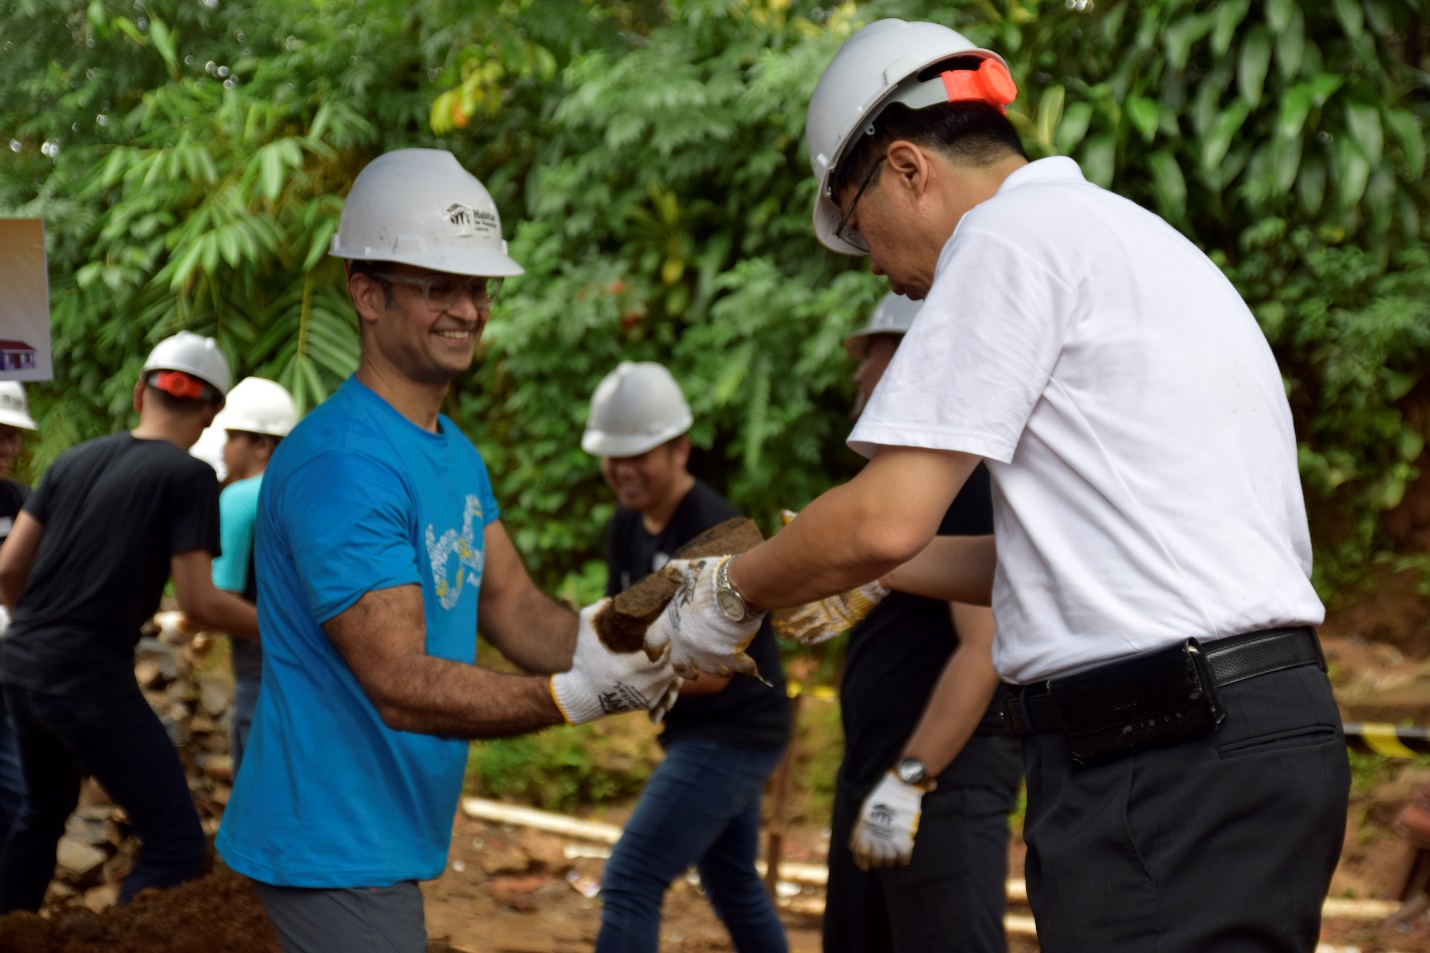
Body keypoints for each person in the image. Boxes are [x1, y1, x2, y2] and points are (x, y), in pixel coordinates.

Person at [646, 19, 1349, 953]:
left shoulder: (1004, 242)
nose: (886, 271)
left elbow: (885, 516)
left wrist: (731, 595)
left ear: (907, 167)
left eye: (862, 231)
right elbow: (1064, 555)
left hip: (1165, 749)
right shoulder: (1130, 240)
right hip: (1245, 737)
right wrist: (875, 573)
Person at [215, 148, 678, 953]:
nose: (467, 309)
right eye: (439, 286)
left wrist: (643, 640)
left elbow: (514, 607)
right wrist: (578, 695)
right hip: (330, 842)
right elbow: (397, 682)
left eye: (478, 286)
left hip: (380, 836)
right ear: (367, 294)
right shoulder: (344, 463)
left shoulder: (450, 449)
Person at [776, 294, 1020, 953]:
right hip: (880, 774)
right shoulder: (903, 493)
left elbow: (984, 648)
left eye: (874, 353)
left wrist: (910, 777)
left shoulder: (962, 479)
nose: (858, 373)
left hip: (939, 785)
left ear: (919, 358)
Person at [0, 332, 261, 911]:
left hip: (19, 664)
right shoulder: (187, 477)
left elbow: (9, 567)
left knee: (40, 814)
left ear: (142, 394)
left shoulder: (73, 459)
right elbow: (198, 603)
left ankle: (11, 928)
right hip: (88, 677)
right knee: (175, 846)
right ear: (211, 413)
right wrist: (287, 629)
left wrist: (37, 631)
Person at [582, 361, 791, 953]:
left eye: (639, 454)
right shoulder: (626, 527)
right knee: (731, 883)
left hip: (734, 732)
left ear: (680, 448)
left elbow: (705, 674)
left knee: (629, 878)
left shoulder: (718, 534)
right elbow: (619, 627)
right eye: (612, 456)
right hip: (695, 732)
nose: (623, 471)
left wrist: (593, 679)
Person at [208, 377, 299, 774]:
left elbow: (217, 595)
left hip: (259, 673)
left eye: (231, 438)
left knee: (254, 789)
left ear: (262, 445)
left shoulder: (241, 497)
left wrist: (184, 622)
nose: (225, 450)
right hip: (312, 672)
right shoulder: (305, 490)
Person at [0, 382, 37, 848]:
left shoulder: (21, 502)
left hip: (9, 671)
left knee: (18, 798)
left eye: (12, 436)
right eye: (0, 434)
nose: (8, 447)